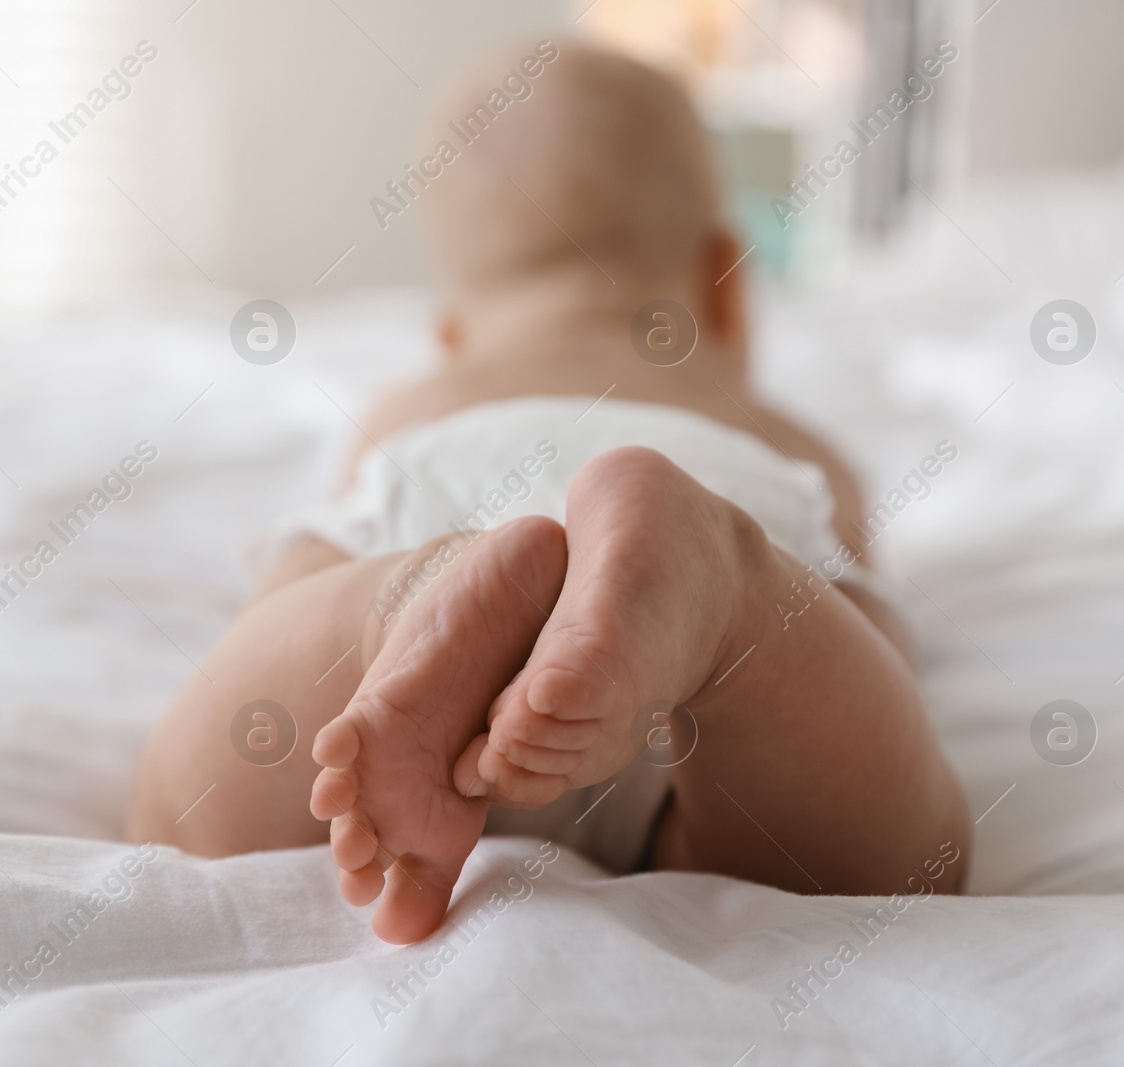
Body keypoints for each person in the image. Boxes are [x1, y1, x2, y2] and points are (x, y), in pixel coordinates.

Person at [127, 40, 970, 945]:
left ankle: (396, 602)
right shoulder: (787, 441)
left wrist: (340, 588)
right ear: (723, 285)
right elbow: (863, 609)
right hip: (703, 534)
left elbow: (328, 527)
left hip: (452, 493)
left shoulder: (416, 405)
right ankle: (728, 592)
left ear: (451, 330)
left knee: (188, 805)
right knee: (885, 844)